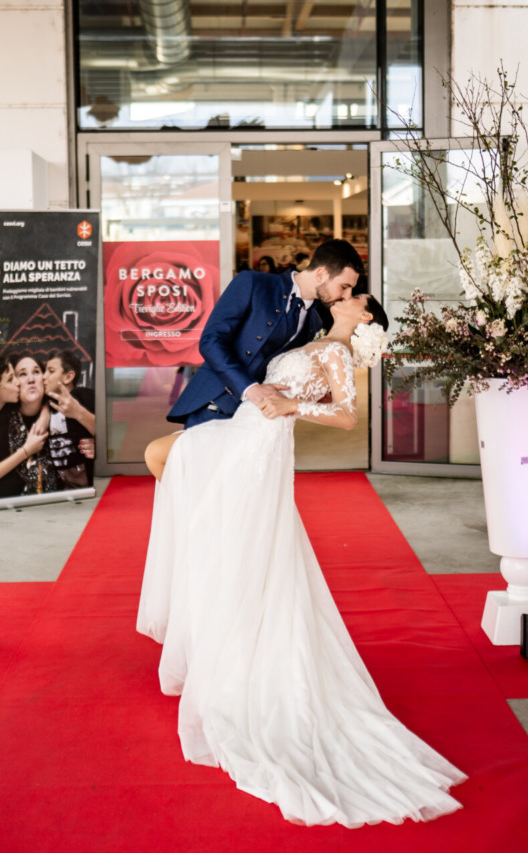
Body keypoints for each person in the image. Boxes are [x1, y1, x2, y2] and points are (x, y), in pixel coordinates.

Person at [137, 293, 466, 827]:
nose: (351, 297)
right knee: (191, 498)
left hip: (257, 442)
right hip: (244, 432)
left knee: (191, 494)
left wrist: (293, 406)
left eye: (360, 299)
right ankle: (215, 641)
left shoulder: (334, 354)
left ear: (363, 320)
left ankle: (229, 655)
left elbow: (345, 416)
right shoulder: (315, 340)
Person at [145, 239, 363, 478]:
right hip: (215, 405)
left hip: (259, 423)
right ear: (321, 273)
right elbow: (211, 340)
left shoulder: (316, 321)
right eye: (344, 286)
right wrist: (249, 389)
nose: (346, 295)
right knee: (193, 483)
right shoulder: (252, 283)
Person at [0, 352, 59, 497]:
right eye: (22, 374)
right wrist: (27, 450)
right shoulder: (0, 418)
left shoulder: (60, 412)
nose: (31, 379)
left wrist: (46, 412)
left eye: (36, 372)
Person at [43, 349, 97, 489]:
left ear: (68, 377)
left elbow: (111, 432)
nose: (44, 376)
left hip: (90, 487)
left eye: (51, 371)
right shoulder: (45, 405)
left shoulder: (85, 397)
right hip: (65, 490)